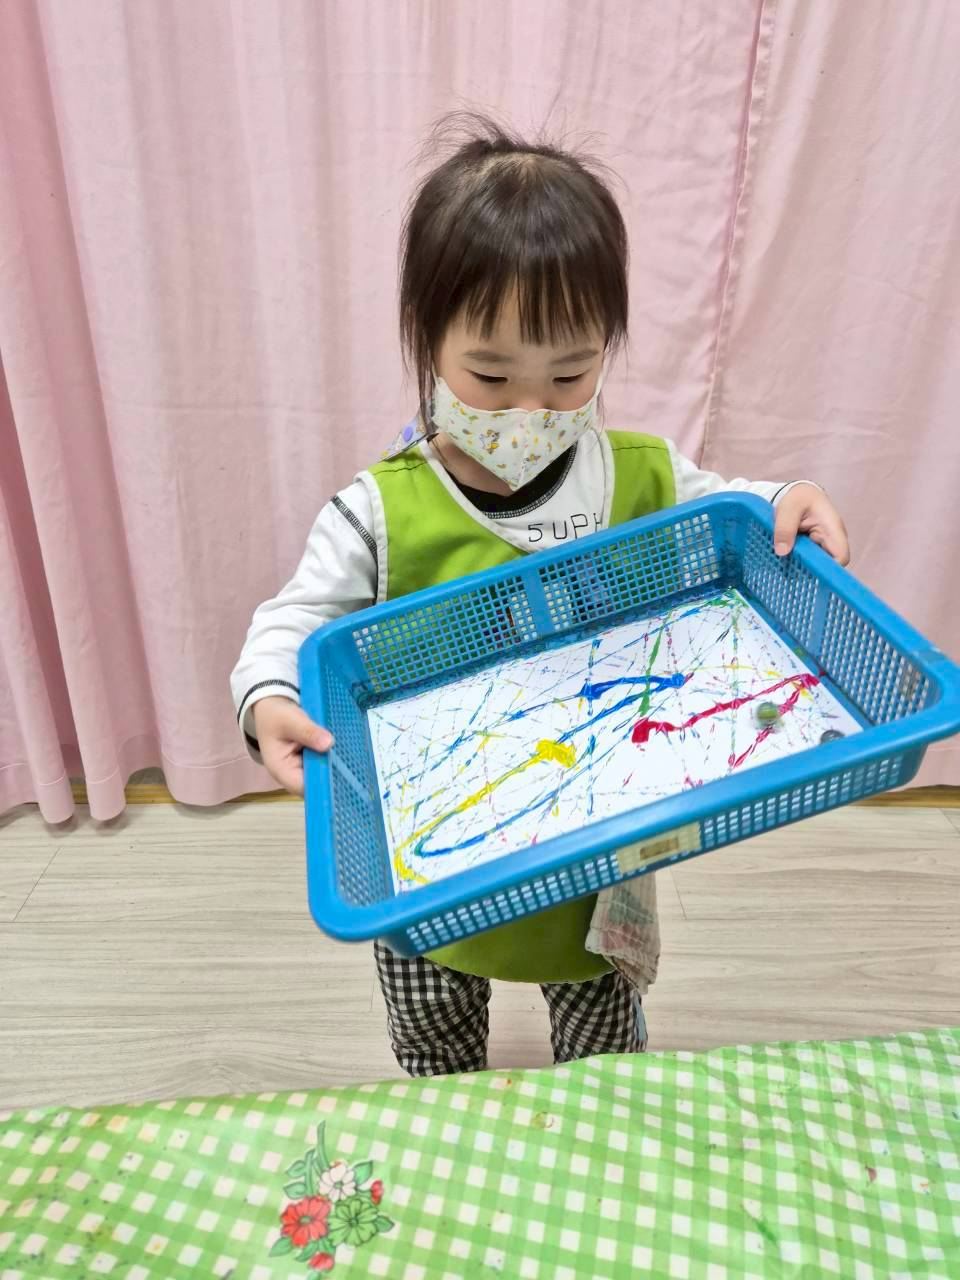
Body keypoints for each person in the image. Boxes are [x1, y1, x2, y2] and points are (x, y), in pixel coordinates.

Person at [231, 114, 850, 1079]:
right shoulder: (380, 511)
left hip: (596, 845)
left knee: (604, 1049)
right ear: (426, 342)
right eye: (490, 374)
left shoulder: (637, 473)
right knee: (434, 1037)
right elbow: (297, 619)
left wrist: (789, 499)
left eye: (570, 373)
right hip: (434, 850)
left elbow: (735, 511)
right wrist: (269, 697)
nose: (531, 409)